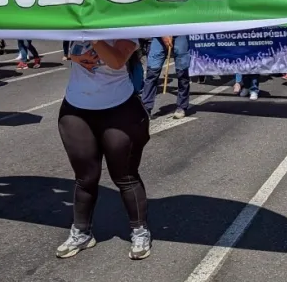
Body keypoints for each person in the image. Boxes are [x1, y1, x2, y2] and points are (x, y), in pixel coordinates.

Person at [56, 39, 151, 260]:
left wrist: (93, 37)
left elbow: (116, 61)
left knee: (125, 176)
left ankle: (139, 230)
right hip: (76, 108)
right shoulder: (75, 26)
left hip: (119, 109)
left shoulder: (122, 26)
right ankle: (81, 232)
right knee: (85, 177)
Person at [141, 35, 191, 118]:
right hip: (159, 34)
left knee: (182, 72)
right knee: (152, 72)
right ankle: (146, 107)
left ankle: (182, 106)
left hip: (180, 33)